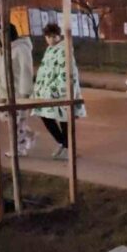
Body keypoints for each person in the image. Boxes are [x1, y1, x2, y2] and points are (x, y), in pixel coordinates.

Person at [31, 23, 86, 161]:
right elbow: (44, 72)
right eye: (48, 36)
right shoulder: (49, 50)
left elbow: (66, 73)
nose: (50, 39)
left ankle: (67, 147)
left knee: (64, 120)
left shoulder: (63, 50)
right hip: (46, 93)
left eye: (53, 36)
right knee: (46, 116)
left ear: (59, 35)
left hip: (60, 93)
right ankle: (64, 144)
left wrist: (56, 90)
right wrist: (39, 89)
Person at [0, 24, 35, 157]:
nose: (1, 36)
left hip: (17, 92)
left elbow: (26, 70)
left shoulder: (20, 49)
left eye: (4, 33)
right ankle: (28, 134)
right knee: (5, 117)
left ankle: (19, 149)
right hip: (5, 93)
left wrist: (24, 93)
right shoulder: (1, 50)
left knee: (16, 123)